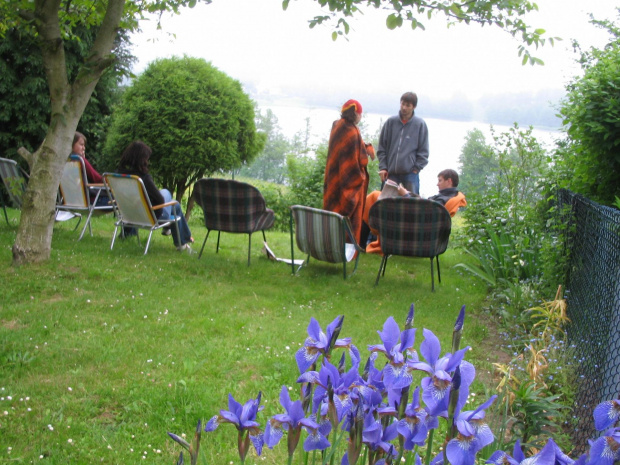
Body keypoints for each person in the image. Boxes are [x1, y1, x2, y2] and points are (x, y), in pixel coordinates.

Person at [362, 169, 466, 254]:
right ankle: (361, 241)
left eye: (440, 180)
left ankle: (360, 242)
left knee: (374, 197)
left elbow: (425, 212)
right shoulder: (445, 197)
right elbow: (425, 207)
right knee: (375, 197)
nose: (437, 184)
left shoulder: (444, 198)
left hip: (412, 225)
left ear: (449, 181)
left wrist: (406, 195)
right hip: (418, 228)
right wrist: (408, 194)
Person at [117, 141, 194, 252]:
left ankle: (180, 238)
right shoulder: (143, 178)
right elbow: (160, 201)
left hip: (128, 214)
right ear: (142, 160)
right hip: (150, 216)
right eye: (146, 159)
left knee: (169, 199)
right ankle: (182, 242)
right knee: (173, 203)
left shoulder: (119, 175)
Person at [323, 99, 375, 245]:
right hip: (346, 182)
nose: (361, 117)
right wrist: (367, 154)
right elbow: (358, 160)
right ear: (356, 114)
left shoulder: (337, 125)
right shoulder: (352, 131)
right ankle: (347, 250)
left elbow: (354, 147)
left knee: (332, 210)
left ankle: (328, 246)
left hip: (333, 178)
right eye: (360, 114)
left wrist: (366, 147)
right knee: (348, 217)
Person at [377, 92, 429, 195]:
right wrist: (383, 167)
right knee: (384, 203)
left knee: (411, 206)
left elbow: (424, 151)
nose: (404, 107)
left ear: (414, 107)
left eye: (408, 105)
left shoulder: (420, 124)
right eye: (402, 104)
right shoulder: (390, 122)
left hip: (410, 174)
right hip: (391, 174)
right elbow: (382, 147)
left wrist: (416, 169)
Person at [71, 132, 110, 206]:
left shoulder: (64, 161)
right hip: (91, 201)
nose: (84, 148)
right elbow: (97, 179)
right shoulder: (80, 160)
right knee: (122, 199)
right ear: (72, 144)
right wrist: (114, 183)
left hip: (71, 201)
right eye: (81, 144)